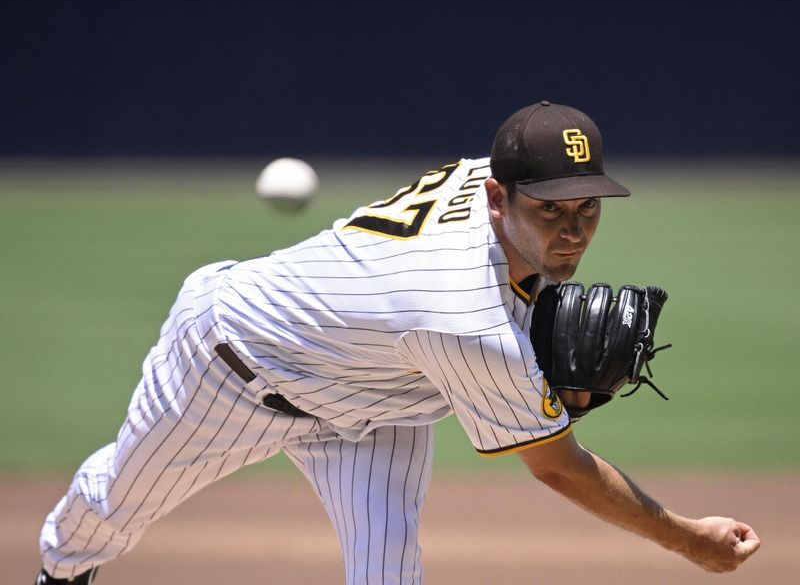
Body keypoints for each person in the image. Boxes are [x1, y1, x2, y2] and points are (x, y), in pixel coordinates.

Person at [36, 101, 760, 584]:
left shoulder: (490, 174)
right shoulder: (461, 318)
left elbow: (509, 277)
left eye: (587, 209)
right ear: (498, 198)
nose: (571, 232)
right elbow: (558, 468)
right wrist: (688, 539)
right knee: (106, 517)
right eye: (551, 212)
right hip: (230, 363)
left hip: (381, 398)